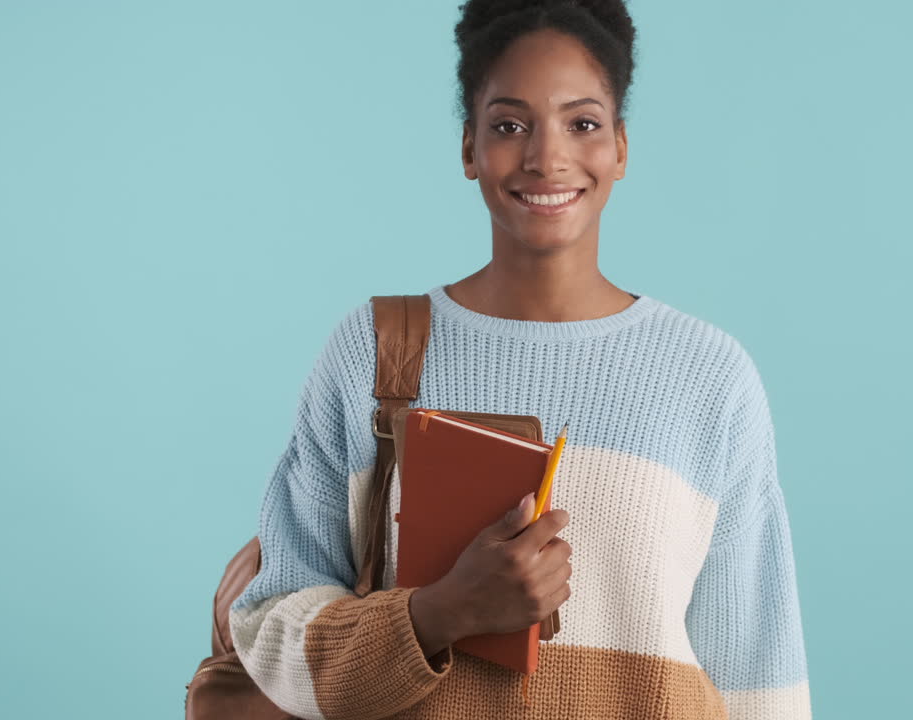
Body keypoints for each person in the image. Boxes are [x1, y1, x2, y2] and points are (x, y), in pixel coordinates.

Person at [228, 1, 812, 717]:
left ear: (621, 148)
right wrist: (437, 614)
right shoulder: (374, 353)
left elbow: (757, 676)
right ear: (468, 146)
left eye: (583, 123)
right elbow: (271, 628)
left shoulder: (710, 377)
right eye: (508, 125)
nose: (547, 157)